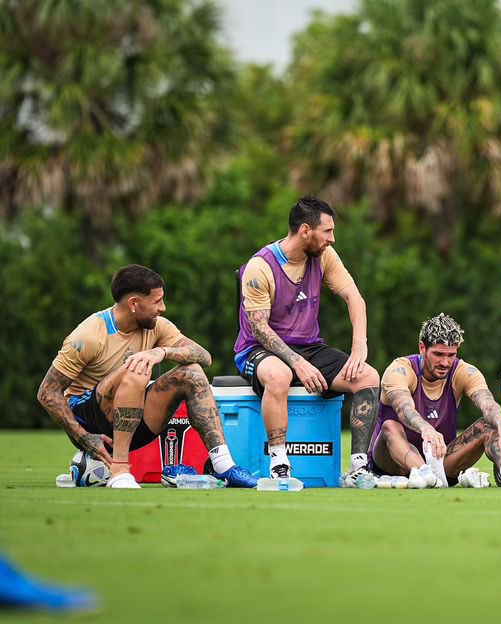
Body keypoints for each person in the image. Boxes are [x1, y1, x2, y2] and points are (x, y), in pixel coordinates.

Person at [36, 265, 257, 489]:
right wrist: (83, 437)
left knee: (192, 372)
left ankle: (223, 466)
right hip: (92, 425)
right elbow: (47, 392)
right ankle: (120, 471)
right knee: (137, 367)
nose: (163, 307)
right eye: (157, 301)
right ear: (133, 303)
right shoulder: (88, 335)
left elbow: (204, 356)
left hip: (135, 422)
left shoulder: (157, 327)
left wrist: (162, 351)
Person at [234, 196, 379, 483]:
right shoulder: (259, 268)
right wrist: (297, 363)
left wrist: (359, 345)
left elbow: (355, 298)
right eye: (327, 231)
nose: (332, 239)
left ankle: (359, 468)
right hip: (258, 349)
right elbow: (260, 330)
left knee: (368, 376)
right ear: (305, 230)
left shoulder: (323, 256)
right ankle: (279, 464)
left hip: (309, 346)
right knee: (279, 375)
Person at [369, 313, 501, 488]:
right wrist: (426, 429)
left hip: (439, 462)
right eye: (438, 354)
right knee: (390, 426)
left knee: (489, 425)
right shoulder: (399, 370)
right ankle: (423, 471)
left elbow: (488, 403)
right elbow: (404, 408)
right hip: (392, 465)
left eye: (451, 355)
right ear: (422, 348)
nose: (445, 362)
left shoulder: (464, 371)